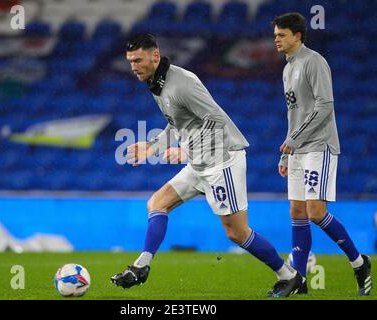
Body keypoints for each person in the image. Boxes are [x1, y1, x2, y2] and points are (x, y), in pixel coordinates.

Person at [111, 33, 303, 298]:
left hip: (223, 161)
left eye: (138, 60)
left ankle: (290, 276)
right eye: (130, 61)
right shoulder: (158, 83)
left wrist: (184, 150)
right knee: (157, 203)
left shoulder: (182, 83)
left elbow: (215, 120)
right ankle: (141, 266)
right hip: (199, 162)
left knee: (237, 233)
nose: (133, 67)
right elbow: (176, 120)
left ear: (155, 56)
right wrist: (152, 146)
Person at [273, 12, 372, 296]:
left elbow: (325, 106)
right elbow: (293, 114)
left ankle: (359, 262)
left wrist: (296, 138)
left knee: (316, 212)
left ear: (298, 35)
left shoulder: (314, 62)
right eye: (275, 35)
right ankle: (298, 281)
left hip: (320, 146)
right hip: (297, 149)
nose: (276, 40)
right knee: (296, 211)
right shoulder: (287, 68)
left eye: (281, 35)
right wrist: (285, 151)